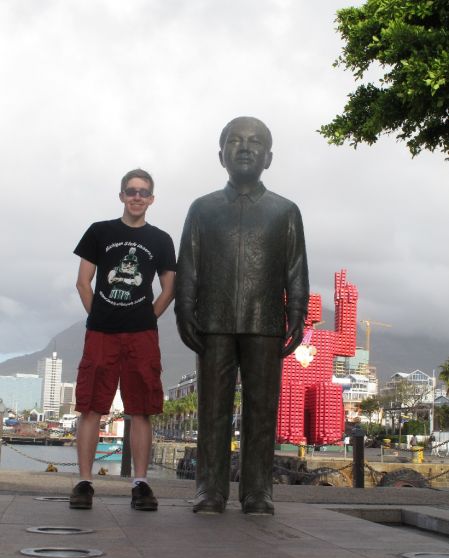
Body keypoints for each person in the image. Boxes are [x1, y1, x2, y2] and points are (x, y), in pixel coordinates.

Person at [176, 117, 309, 514]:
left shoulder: (285, 211)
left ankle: (257, 491)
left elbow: (296, 268)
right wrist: (185, 308)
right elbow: (189, 266)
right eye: (235, 141)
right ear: (221, 156)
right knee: (212, 410)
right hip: (213, 321)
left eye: (255, 142)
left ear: (269, 157)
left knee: (262, 410)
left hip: (264, 321)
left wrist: (297, 312)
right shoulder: (202, 209)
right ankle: (210, 489)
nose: (245, 147)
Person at [70, 168, 176, 510]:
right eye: (131, 191)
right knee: (90, 406)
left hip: (141, 334)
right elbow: (83, 281)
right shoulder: (99, 232)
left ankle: (141, 483)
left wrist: (147, 316)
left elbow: (169, 287)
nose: (136, 196)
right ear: (121, 196)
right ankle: (84, 482)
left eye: (143, 192)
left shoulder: (161, 239)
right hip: (101, 332)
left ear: (152, 199)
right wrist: (98, 314)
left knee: (142, 408)